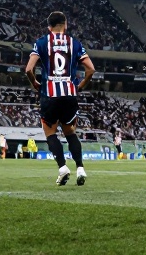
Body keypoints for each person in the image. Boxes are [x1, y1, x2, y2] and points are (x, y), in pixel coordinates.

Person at [25, 11, 95, 186]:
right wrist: (81, 85)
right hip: (70, 94)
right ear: (66, 24)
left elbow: (28, 69)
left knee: (50, 133)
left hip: (49, 94)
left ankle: (63, 168)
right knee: (70, 133)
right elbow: (91, 69)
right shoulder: (75, 43)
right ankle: (80, 168)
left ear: (49, 26)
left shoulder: (41, 42)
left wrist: (34, 82)